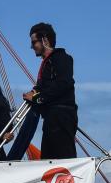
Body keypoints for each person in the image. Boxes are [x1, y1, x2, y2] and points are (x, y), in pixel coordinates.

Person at [22, 22, 78, 159]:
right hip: (50, 119)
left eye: (34, 42)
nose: (31, 46)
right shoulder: (47, 63)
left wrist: (37, 98)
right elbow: (45, 86)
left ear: (45, 40)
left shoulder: (62, 58)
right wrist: (34, 92)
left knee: (62, 159)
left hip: (61, 118)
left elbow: (64, 84)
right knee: (48, 160)